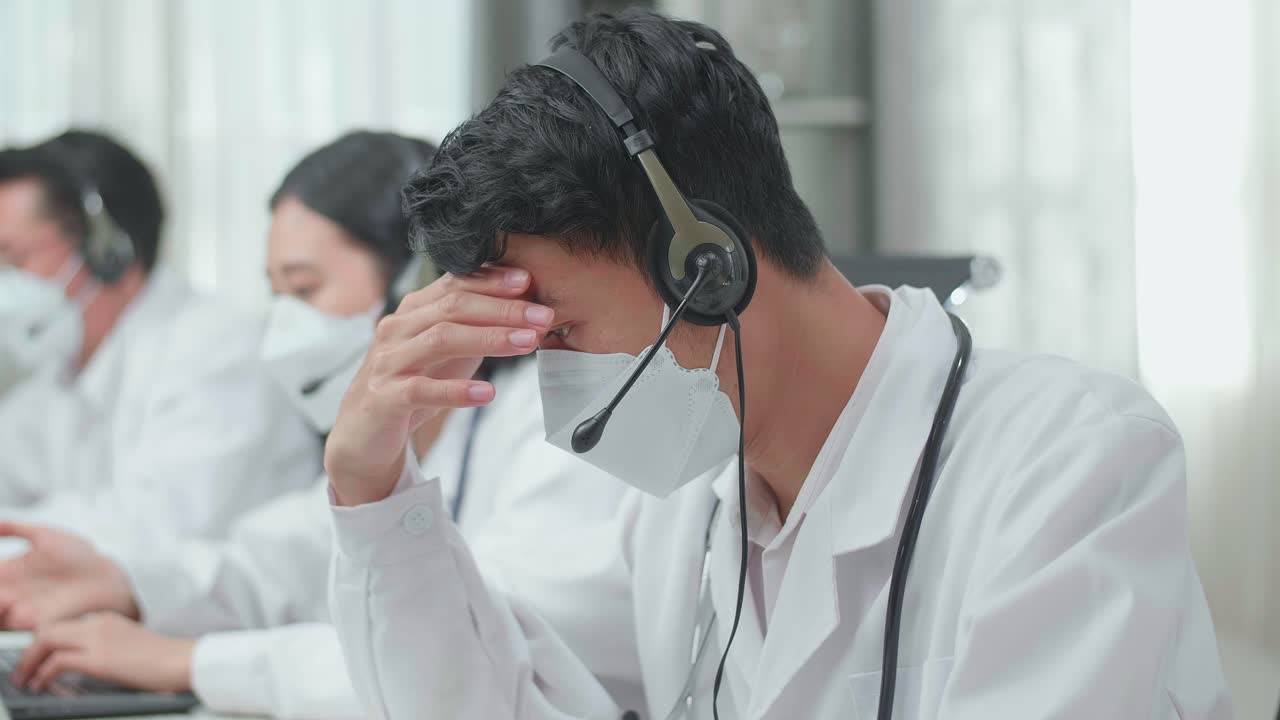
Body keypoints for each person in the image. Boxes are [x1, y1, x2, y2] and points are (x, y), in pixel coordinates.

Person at [319, 9, 1233, 720]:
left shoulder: (1069, 460)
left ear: (705, 267)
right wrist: (370, 486)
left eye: (559, 334)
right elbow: (479, 696)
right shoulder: (685, 516)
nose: (556, 387)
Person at [0, 131, 642, 719]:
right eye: (275, 295)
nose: (283, 329)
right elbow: (269, 567)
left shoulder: (553, 428)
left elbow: (458, 661)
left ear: (416, 286)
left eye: (305, 291)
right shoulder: (417, 440)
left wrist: (186, 662)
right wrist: (124, 582)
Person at [0, 131, 319, 560]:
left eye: (13, 259)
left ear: (105, 249)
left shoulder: (220, 349)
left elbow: (148, 531)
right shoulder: (56, 375)